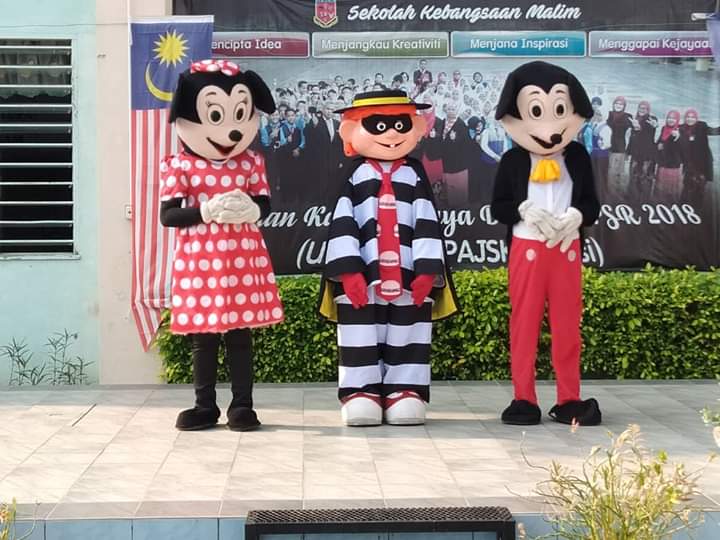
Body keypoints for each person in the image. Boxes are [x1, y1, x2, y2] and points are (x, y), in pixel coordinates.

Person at [318, 89, 459, 426]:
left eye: (400, 124)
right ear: (352, 130)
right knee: (359, 334)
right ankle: (360, 391)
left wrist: (427, 270)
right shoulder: (352, 176)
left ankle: (404, 390)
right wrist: (349, 271)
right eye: (379, 126)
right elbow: (342, 221)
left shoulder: (414, 174)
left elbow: (427, 221)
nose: (392, 133)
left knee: (408, 331)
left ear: (416, 127)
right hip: (363, 277)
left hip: (409, 275)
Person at [159, 60, 284, 432]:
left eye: (240, 115)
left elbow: (264, 203)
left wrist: (253, 209)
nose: (230, 130)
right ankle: (205, 405)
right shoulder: (180, 166)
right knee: (204, 338)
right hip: (200, 261)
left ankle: (242, 406)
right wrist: (206, 210)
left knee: (240, 336)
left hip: (242, 258)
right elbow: (168, 215)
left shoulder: (251, 162)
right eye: (216, 115)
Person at [491, 61, 601, 427]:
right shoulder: (512, 160)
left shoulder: (578, 157)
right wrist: (524, 211)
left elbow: (592, 204)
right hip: (527, 249)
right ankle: (524, 397)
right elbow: (498, 207)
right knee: (524, 324)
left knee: (568, 326)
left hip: (567, 250)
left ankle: (569, 398)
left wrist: (576, 217)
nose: (550, 128)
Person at [425, 102, 472, 207]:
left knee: (458, 196)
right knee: (443, 195)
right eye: (449, 109)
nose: (451, 111)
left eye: (453, 109)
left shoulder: (462, 125)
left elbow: (468, 145)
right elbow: (436, 141)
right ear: (446, 110)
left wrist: (456, 139)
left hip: (457, 167)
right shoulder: (440, 124)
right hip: (442, 165)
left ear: (457, 111)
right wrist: (432, 137)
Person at [680, 108, 719, 202]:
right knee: (686, 188)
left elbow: (714, 131)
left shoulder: (702, 126)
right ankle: (683, 207)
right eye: (688, 117)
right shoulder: (681, 128)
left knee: (699, 189)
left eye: (692, 117)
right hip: (689, 164)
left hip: (703, 164)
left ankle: (697, 208)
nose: (690, 119)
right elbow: (670, 129)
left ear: (696, 118)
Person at [627, 101, 658, 200]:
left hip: (646, 156)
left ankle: (644, 199)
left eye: (645, 108)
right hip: (636, 154)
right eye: (640, 108)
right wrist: (628, 152)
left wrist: (654, 126)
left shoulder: (651, 119)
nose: (642, 110)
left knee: (644, 178)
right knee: (633, 176)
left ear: (648, 110)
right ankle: (633, 198)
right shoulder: (635, 120)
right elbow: (633, 138)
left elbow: (652, 128)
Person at [606, 96, 633, 199]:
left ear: (624, 106)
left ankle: (616, 195)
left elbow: (632, 130)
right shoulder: (608, 114)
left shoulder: (627, 117)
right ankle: (610, 193)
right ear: (613, 104)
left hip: (619, 149)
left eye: (621, 104)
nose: (618, 105)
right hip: (606, 148)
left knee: (617, 173)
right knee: (609, 172)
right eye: (616, 103)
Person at [655, 110, 683, 202]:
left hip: (673, 165)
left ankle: (672, 206)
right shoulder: (664, 128)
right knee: (661, 190)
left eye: (674, 118)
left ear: (677, 120)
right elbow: (659, 142)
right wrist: (659, 145)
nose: (671, 120)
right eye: (669, 118)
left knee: (671, 190)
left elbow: (683, 146)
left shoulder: (680, 130)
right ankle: (660, 205)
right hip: (663, 163)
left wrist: (679, 137)